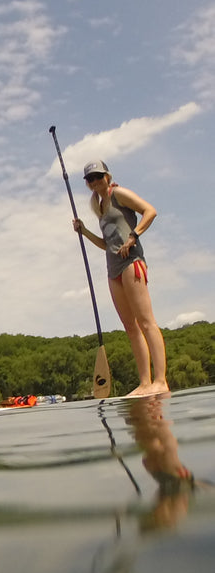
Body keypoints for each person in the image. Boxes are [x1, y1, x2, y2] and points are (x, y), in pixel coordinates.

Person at [72, 159, 168, 396]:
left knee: (146, 321)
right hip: (112, 268)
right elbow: (106, 244)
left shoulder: (119, 194)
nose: (94, 182)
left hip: (131, 262)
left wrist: (133, 236)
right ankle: (145, 383)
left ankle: (161, 380)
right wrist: (83, 231)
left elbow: (150, 211)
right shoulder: (100, 206)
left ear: (106, 176)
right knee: (130, 327)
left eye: (97, 176)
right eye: (89, 179)